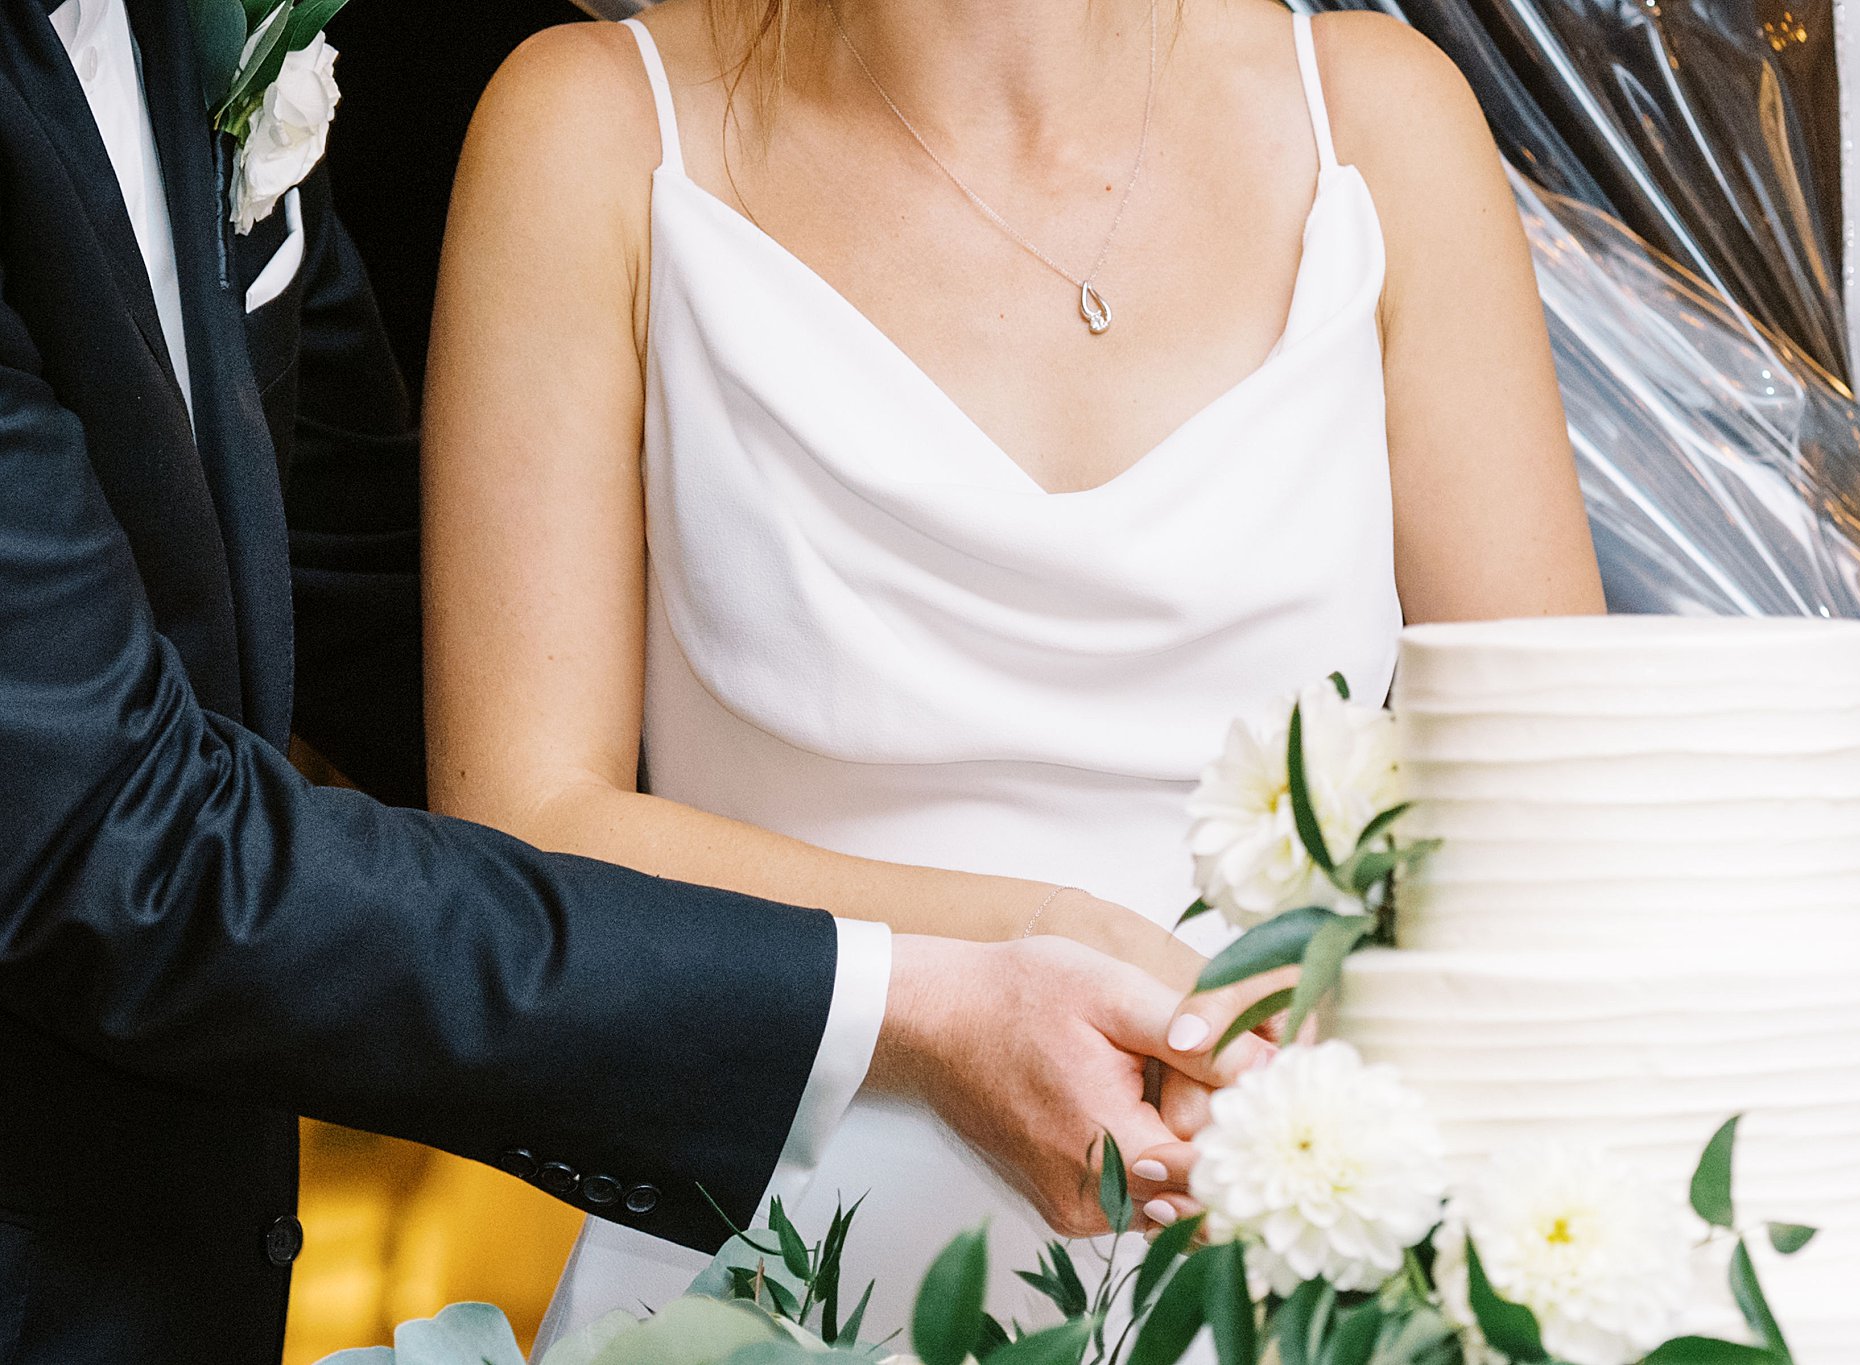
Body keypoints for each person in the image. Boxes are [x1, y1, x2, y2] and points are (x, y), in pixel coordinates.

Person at [0, 2, 1247, 1361]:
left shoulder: (194, 24)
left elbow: (369, 588)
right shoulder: (577, 133)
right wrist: (922, 989)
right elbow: (123, 844)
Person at [421, 0, 1606, 1340]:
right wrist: (985, 962)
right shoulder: (591, 129)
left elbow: (1564, 803)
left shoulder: (1383, 120)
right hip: (784, 1296)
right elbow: (518, 832)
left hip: (1302, 1268)